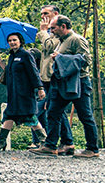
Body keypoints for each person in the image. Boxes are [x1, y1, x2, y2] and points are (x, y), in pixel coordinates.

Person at [31, 15, 100, 158]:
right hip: (61, 83)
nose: (52, 31)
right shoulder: (61, 41)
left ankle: (92, 149)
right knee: (53, 112)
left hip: (78, 83)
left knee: (85, 115)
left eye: (53, 28)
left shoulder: (77, 39)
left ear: (63, 26)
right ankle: (50, 146)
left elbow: (86, 60)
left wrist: (61, 58)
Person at [0, 32, 46, 150]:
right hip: (13, 93)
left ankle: (44, 141)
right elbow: (9, 72)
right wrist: (1, 63)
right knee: (9, 116)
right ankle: (1, 143)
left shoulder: (26, 55)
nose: (12, 42)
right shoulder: (11, 56)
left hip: (25, 93)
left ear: (20, 41)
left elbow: (34, 72)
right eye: (10, 41)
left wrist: (40, 88)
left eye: (14, 40)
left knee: (31, 117)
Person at [35, 5, 74, 153]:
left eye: (46, 13)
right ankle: (65, 142)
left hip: (55, 76)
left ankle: (61, 143)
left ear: (55, 14)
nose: (43, 17)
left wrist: (44, 32)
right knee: (55, 110)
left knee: (55, 109)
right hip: (46, 76)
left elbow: (51, 47)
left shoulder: (60, 31)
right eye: (41, 14)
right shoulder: (52, 31)